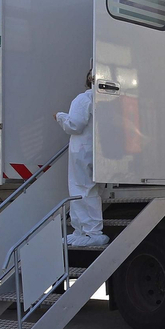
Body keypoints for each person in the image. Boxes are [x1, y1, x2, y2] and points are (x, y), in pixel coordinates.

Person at [55, 71, 106, 249]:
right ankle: (83, 232)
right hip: (96, 150)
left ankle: (89, 231)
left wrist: (60, 117)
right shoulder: (105, 100)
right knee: (90, 189)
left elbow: (75, 125)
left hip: (81, 151)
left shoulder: (83, 99)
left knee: (80, 189)